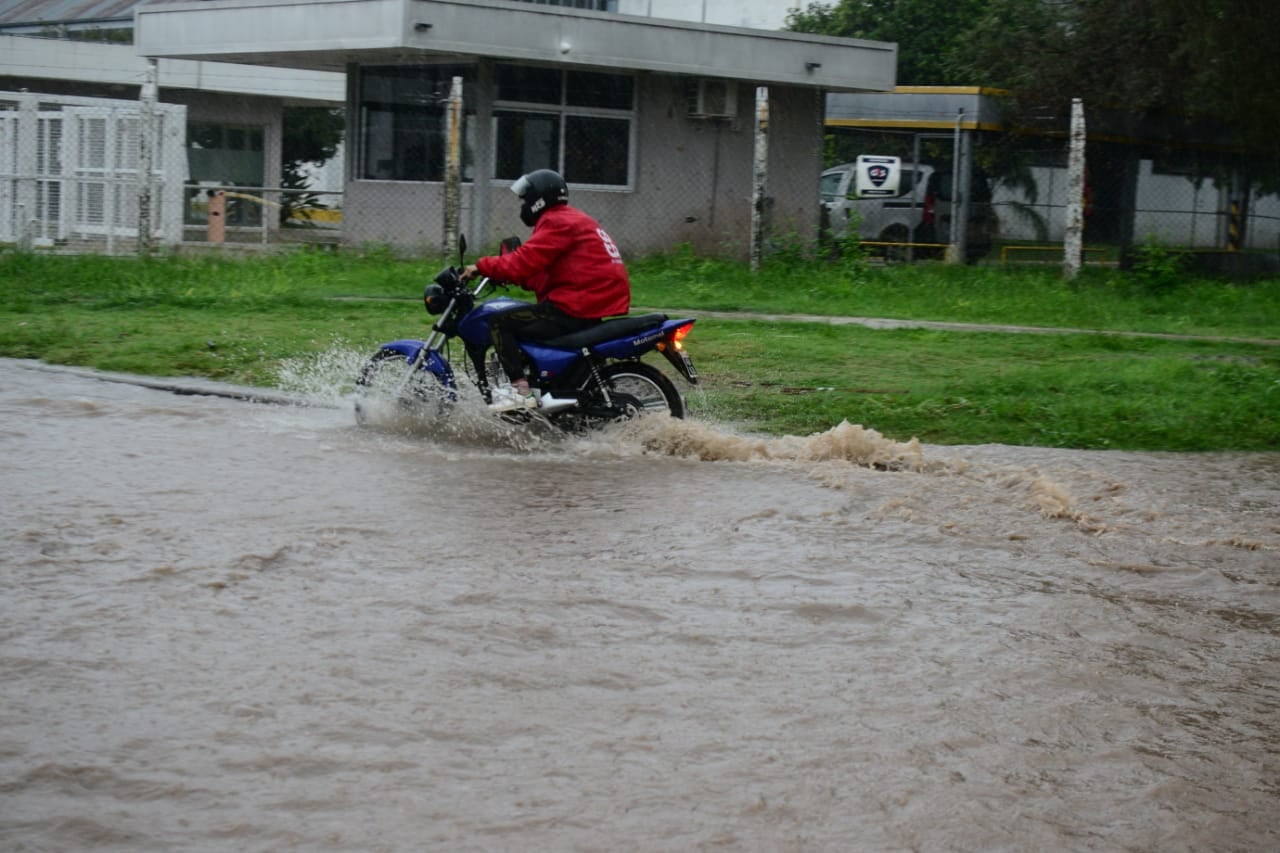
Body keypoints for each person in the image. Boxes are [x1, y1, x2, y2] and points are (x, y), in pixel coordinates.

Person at [463, 169, 631, 411]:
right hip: (589, 299)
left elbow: (523, 260)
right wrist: (519, 278)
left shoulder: (556, 221)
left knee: (500, 322)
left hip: (576, 305)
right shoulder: (573, 218)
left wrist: (481, 267)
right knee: (528, 320)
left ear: (539, 199)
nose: (523, 204)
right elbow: (548, 271)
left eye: (525, 199)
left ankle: (521, 392)